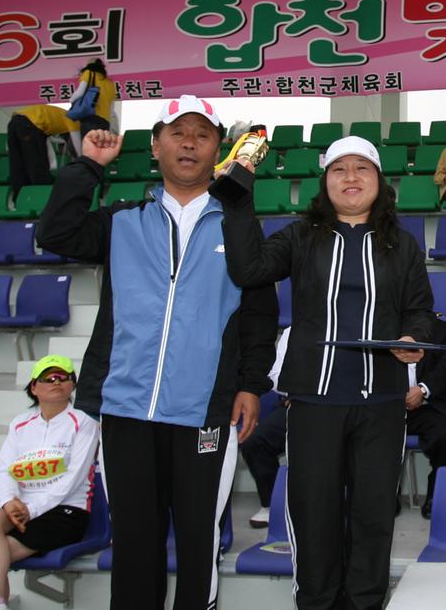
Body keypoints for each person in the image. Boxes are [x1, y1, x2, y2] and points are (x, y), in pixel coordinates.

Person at [36, 95, 278, 610]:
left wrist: (252, 384)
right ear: (156, 144)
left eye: (203, 134)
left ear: (220, 149)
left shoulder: (237, 225)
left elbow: (259, 314)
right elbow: (54, 232)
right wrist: (87, 166)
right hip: (127, 408)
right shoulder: (122, 221)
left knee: (197, 539)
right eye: (177, 132)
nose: (189, 142)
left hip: (203, 410)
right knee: (135, 540)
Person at [218, 135, 434, 610]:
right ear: (325, 182)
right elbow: (248, 269)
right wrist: (238, 201)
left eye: (362, 168)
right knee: (314, 514)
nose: (351, 178)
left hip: (381, 402)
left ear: (380, 181)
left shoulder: (403, 243)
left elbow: (419, 311)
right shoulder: (300, 236)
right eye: (339, 169)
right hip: (314, 401)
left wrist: (412, 339)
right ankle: (316, 602)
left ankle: (364, 603)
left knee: (373, 513)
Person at [0, 355, 99, 610]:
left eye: (64, 377)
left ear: (73, 385)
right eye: (49, 378)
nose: (57, 382)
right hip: (22, 510)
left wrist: (30, 510)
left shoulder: (85, 422)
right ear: (34, 387)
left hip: (66, 512)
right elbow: (6, 471)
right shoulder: (20, 423)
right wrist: (9, 502)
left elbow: (72, 481)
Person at [406, 313, 446, 519]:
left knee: (444, 436)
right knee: (371, 433)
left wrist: (422, 390)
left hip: (430, 404)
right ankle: (385, 494)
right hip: (391, 405)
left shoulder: (443, 329)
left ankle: (437, 493)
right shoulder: (383, 324)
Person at [240, 326, 290, 528]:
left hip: (342, 409)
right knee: (255, 442)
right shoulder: (292, 332)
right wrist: (302, 392)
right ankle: (271, 505)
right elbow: (276, 377)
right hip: (295, 403)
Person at [6, 104, 80, 199]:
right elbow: (76, 144)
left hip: (14, 121)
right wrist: (82, 160)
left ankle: (20, 199)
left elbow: (45, 141)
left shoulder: (59, 117)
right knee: (37, 164)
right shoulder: (75, 120)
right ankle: (42, 197)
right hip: (30, 124)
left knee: (17, 164)